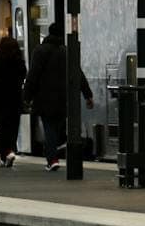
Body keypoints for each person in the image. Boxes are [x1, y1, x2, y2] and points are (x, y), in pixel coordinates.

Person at [22, 23, 93, 171]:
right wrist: (88, 95)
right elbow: (78, 74)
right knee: (56, 127)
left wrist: (26, 96)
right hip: (62, 98)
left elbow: (33, 76)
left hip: (44, 98)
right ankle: (55, 153)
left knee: (49, 129)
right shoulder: (67, 52)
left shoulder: (39, 51)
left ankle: (52, 159)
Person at [0, 29, 26, 168]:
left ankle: (5, 154)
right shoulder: (19, 63)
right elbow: (24, 76)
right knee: (13, 128)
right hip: (15, 100)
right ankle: (10, 150)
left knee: (1, 129)